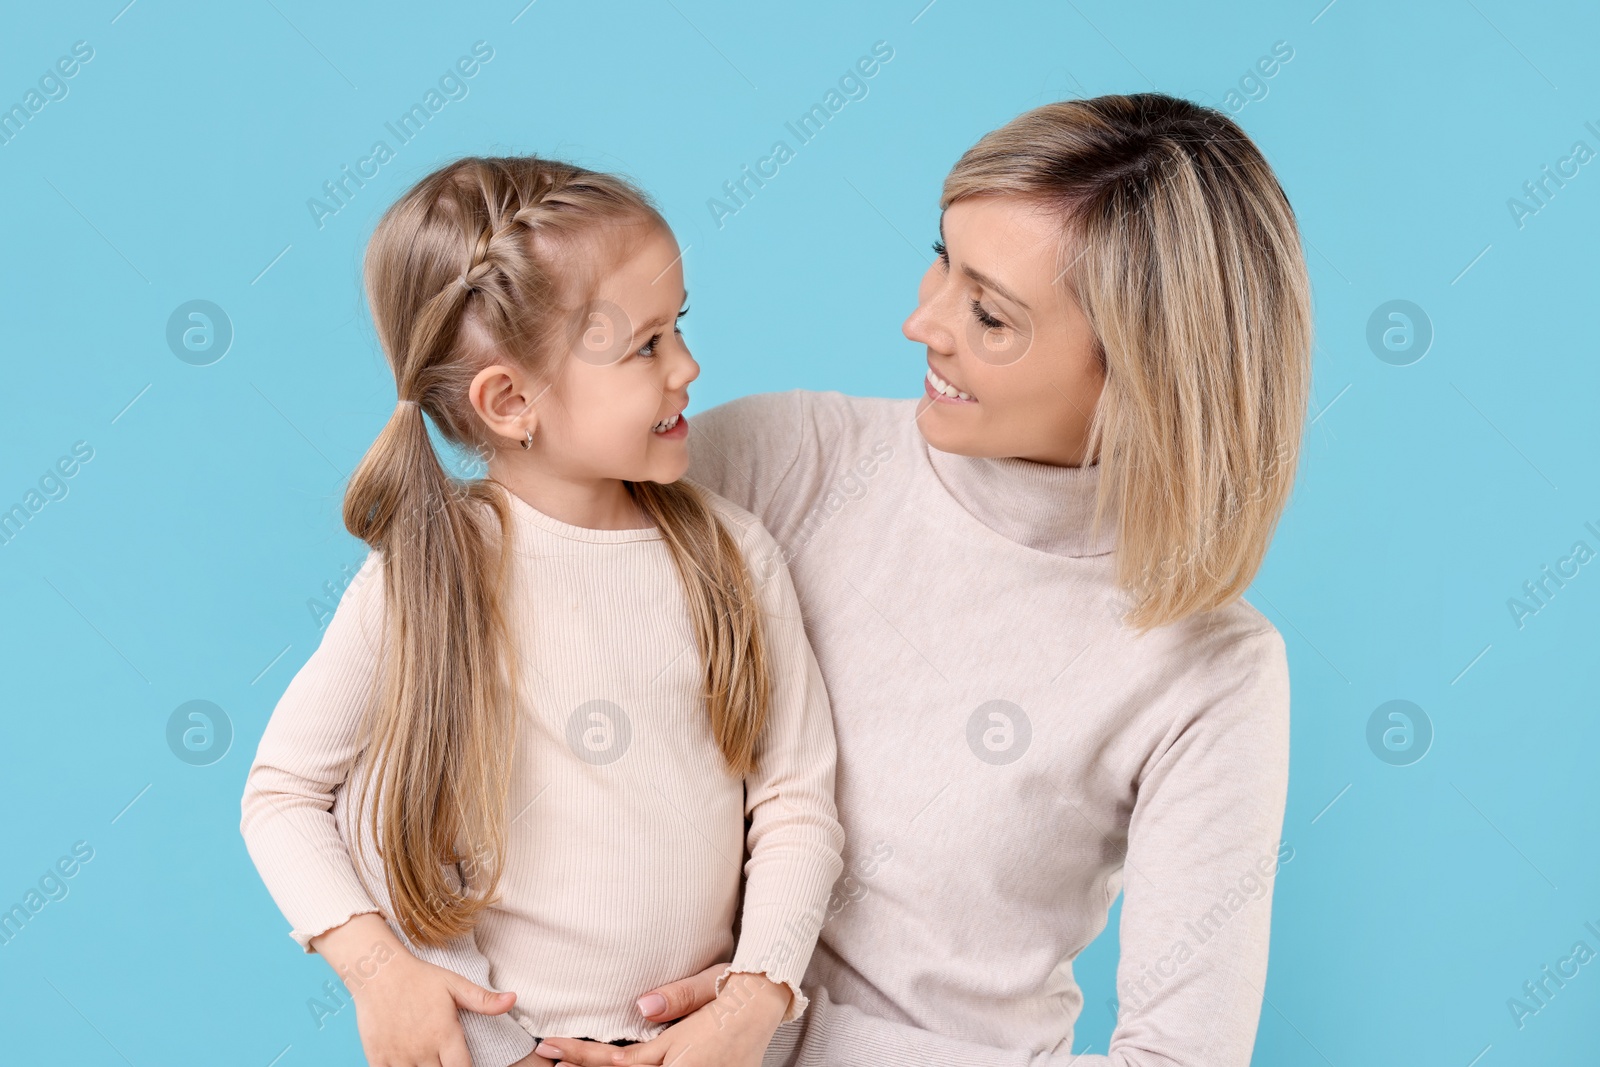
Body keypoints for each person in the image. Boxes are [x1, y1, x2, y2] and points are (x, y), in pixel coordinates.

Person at [539, 92, 1312, 1067]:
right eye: (943, 260)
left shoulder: (1209, 668)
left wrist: (776, 1019)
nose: (920, 322)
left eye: (988, 312)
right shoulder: (781, 459)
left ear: (1139, 374)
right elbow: (479, 640)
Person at [238, 156, 844, 1067]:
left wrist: (750, 1005)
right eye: (645, 345)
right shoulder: (434, 575)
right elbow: (284, 793)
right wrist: (381, 974)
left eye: (680, 324)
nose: (688, 364)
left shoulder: (732, 553)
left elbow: (797, 802)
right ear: (511, 400)